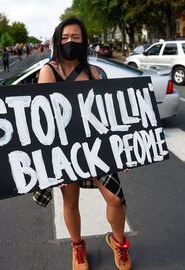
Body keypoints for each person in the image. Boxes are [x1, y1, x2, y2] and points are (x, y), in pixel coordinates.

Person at [36, 17, 132, 270]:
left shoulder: (94, 73)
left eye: (75, 38)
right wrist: (54, 162)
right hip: (65, 149)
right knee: (70, 200)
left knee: (115, 199)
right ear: (57, 41)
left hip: (96, 146)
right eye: (65, 38)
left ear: (84, 41)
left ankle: (118, 243)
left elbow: (108, 115)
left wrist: (122, 152)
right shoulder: (49, 71)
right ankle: (78, 248)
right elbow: (43, 119)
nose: (70, 42)